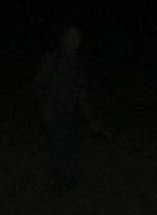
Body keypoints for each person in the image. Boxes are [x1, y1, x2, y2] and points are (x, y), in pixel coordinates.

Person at [32, 25, 101, 192]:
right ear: (63, 38)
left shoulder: (80, 63)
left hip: (73, 114)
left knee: (73, 150)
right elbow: (39, 86)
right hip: (54, 113)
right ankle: (55, 184)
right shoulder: (52, 59)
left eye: (77, 36)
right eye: (70, 36)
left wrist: (91, 120)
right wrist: (45, 110)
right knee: (60, 148)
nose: (74, 39)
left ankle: (68, 186)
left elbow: (81, 94)